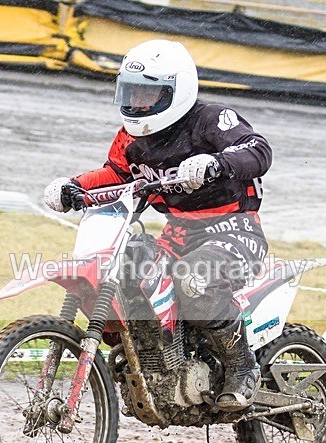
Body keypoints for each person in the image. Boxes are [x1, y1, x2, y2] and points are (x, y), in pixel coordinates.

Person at [44, 39, 272, 411]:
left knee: (196, 277)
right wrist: (72, 186)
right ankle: (149, 356)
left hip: (234, 230)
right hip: (178, 233)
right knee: (126, 262)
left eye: (147, 94)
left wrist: (217, 163)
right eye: (130, 92)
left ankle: (242, 366)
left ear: (175, 91)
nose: (137, 103)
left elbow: (258, 149)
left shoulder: (210, 120)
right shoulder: (131, 138)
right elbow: (115, 175)